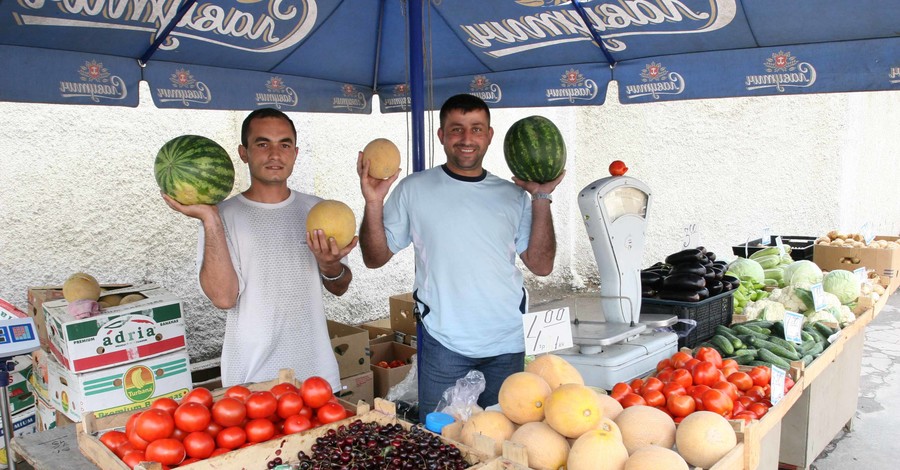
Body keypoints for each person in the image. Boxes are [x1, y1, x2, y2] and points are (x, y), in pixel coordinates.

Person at [357, 94, 564, 420]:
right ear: (441, 135)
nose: (467, 139)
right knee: (443, 443)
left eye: (476, 129)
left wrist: (541, 197)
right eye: (456, 129)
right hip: (444, 343)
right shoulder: (414, 189)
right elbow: (375, 257)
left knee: (504, 438)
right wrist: (372, 202)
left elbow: (541, 265)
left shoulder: (514, 196)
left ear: (489, 136)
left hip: (506, 342)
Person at [163, 108, 356, 389]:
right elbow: (224, 298)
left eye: (284, 144)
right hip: (252, 379)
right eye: (263, 144)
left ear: (296, 152)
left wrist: (330, 267)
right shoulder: (221, 217)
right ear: (244, 153)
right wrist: (210, 219)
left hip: (316, 376)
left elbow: (340, 287)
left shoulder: (319, 210)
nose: (275, 154)